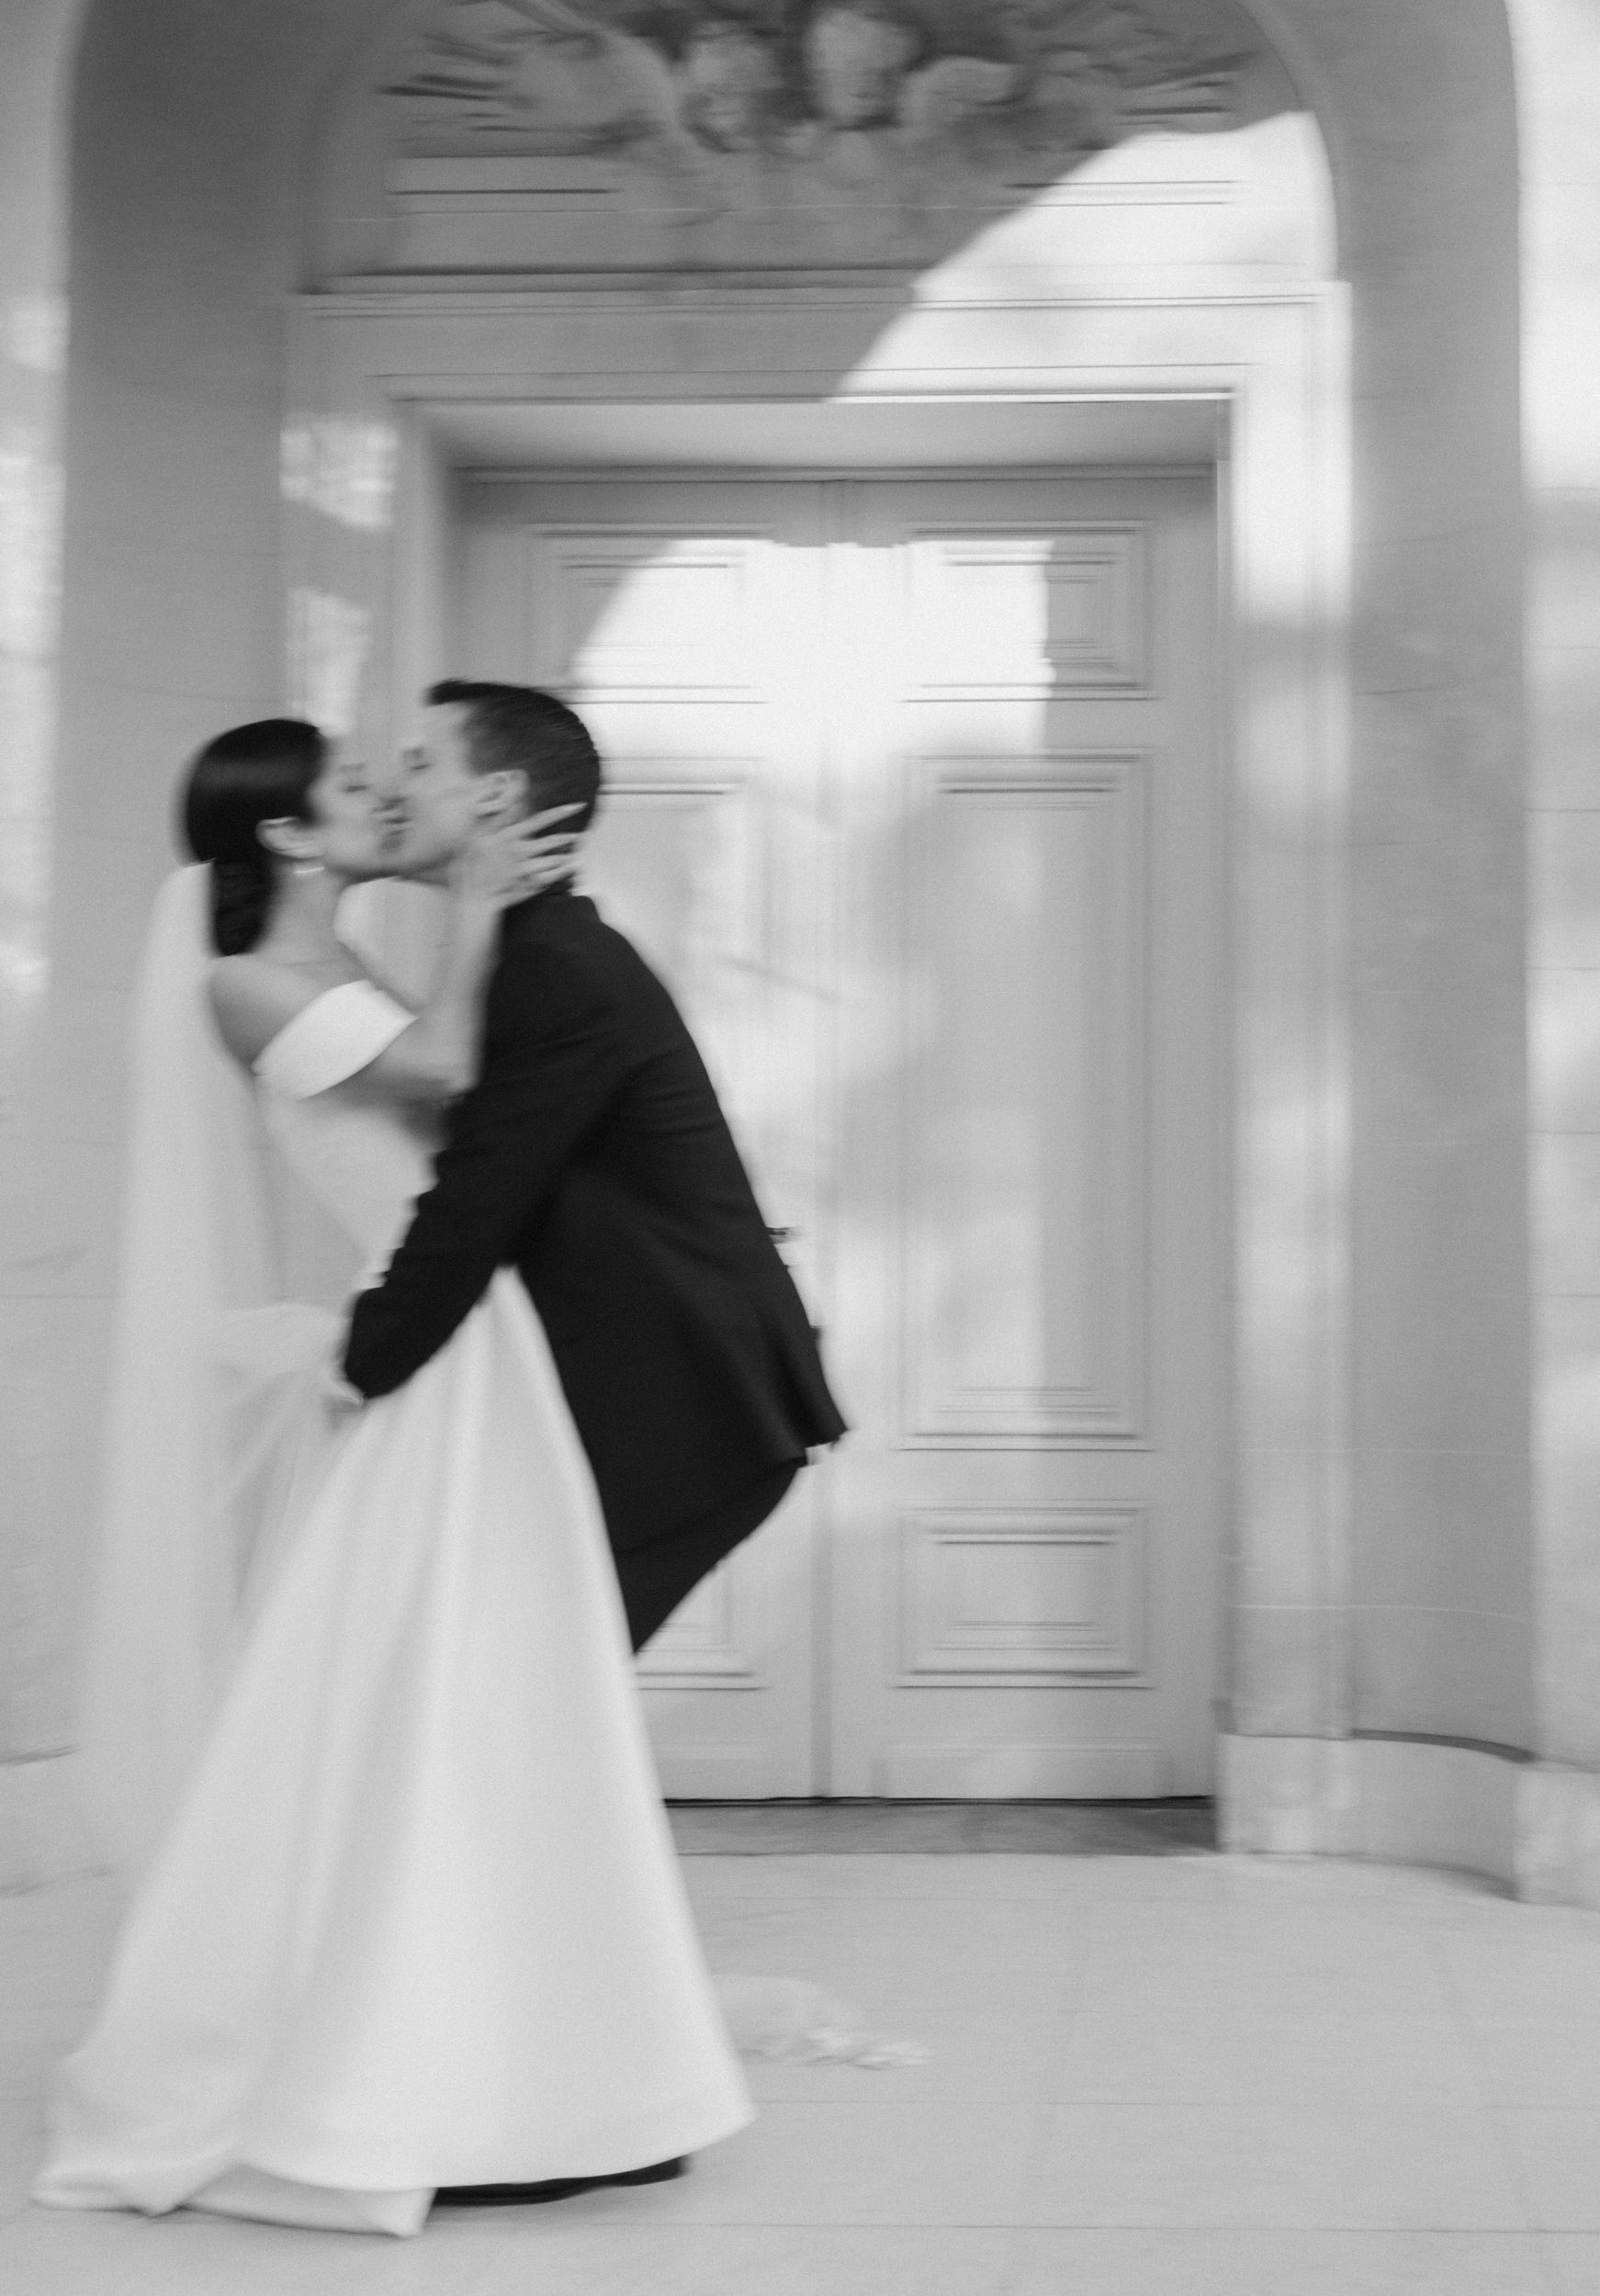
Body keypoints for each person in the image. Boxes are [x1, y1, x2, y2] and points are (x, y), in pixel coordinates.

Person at [32, 717, 756, 2237]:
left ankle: (558, 2071)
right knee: (439, 1716)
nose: (384, 800)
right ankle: (393, 2075)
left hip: (482, 1359)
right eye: (356, 789)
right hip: (434, 1370)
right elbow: (449, 1078)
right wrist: (487, 900)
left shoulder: (355, 969)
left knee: (496, 1717)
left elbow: (480, 1109)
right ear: (289, 839)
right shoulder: (245, 984)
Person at [343, 681, 848, 1651]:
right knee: (510, 1701)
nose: (392, 787)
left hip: (696, 1409)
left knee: (520, 1695)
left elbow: (476, 1201)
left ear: (496, 796)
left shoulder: (558, 969)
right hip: (649, 1392)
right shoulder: (531, 950)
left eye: (418, 762)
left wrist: (358, 1367)